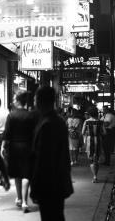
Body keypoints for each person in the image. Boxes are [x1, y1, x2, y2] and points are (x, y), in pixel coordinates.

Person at [30, 86, 73, 221]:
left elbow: (43, 159)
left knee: (50, 216)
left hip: (48, 184)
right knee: (57, 216)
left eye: (35, 99)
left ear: (39, 101)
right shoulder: (58, 121)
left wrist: (36, 186)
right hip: (58, 182)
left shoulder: (47, 124)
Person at [1, 91, 35, 212]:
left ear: (18, 100)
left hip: (14, 147)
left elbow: (7, 133)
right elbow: (34, 133)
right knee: (26, 174)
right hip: (28, 147)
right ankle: (25, 202)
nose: (13, 101)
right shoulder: (31, 115)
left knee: (17, 174)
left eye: (15, 99)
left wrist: (3, 147)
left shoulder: (11, 115)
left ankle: (19, 198)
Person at [82, 106, 105, 183]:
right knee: (97, 158)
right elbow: (104, 132)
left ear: (89, 113)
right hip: (98, 140)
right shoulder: (100, 122)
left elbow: (82, 132)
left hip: (89, 141)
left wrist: (88, 133)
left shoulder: (86, 122)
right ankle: (96, 176)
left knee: (91, 159)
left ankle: (94, 176)